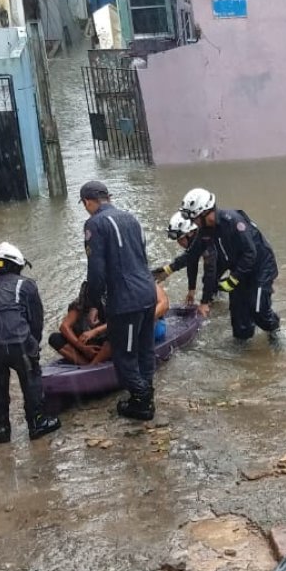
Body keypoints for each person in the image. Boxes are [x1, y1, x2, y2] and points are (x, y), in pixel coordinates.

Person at [79, 180, 159, 421]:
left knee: (124, 356)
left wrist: (93, 303)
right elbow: (142, 257)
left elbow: (96, 271)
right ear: (109, 197)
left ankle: (142, 400)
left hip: (125, 300)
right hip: (147, 292)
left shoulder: (94, 224)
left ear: (88, 202)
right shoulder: (131, 218)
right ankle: (144, 395)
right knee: (145, 349)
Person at [0, 242, 61, 443]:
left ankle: (1, 429)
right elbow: (36, 322)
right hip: (17, 342)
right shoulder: (26, 285)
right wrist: (33, 348)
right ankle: (37, 423)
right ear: (18, 265)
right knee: (31, 376)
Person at [179, 187, 280, 341]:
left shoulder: (233, 221)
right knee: (239, 324)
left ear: (205, 212)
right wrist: (168, 270)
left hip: (260, 268)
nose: (194, 223)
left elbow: (250, 253)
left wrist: (233, 279)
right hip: (239, 270)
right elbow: (192, 255)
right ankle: (243, 350)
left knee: (258, 311)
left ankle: (274, 329)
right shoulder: (205, 231)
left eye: (195, 219)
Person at [154, 211, 219, 311]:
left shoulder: (207, 241)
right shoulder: (198, 240)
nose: (179, 243)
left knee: (214, 289)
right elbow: (191, 260)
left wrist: (204, 303)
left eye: (180, 239)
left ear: (191, 232)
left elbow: (210, 272)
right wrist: (191, 290)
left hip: (241, 263)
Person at [48, 282, 111, 366]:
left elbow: (119, 323)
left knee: (115, 337)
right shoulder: (81, 303)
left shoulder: (113, 300)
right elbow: (64, 326)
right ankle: (86, 366)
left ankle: (92, 366)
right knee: (54, 338)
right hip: (86, 345)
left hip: (105, 345)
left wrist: (95, 331)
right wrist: (82, 347)